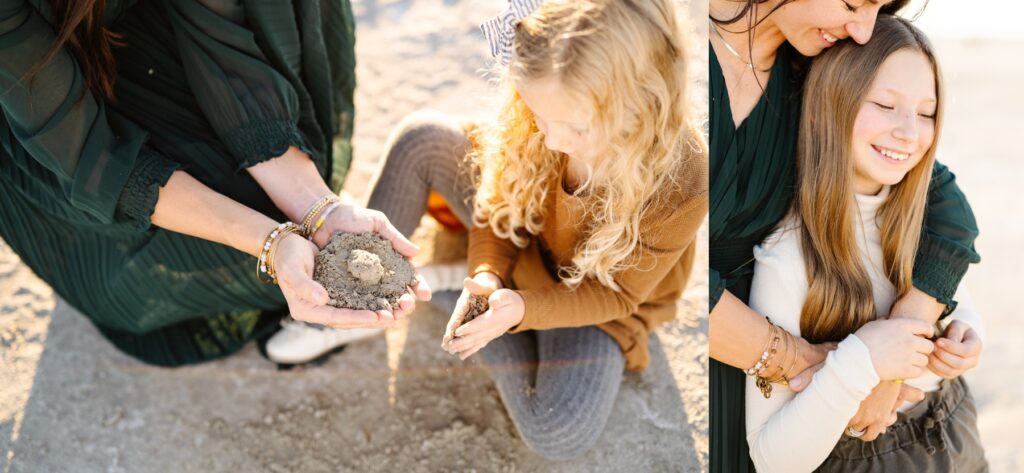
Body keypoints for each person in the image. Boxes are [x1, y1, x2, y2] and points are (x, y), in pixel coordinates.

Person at [314, 0, 705, 459]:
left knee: (559, 432)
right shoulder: (540, 108)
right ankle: (358, 295)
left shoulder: (682, 178)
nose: (554, 139)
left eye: (575, 128)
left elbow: (616, 295)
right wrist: (486, 275)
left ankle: (465, 309)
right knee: (423, 138)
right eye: (542, 115)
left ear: (642, 104)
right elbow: (500, 204)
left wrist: (518, 310)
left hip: (592, 300)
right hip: (529, 239)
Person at [0, 0, 427, 367]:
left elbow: (223, 40)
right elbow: (88, 151)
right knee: (233, 210)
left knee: (276, 180)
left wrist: (318, 208)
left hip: (153, 21)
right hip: (37, 95)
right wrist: (271, 241)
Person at [707, 1, 983, 471]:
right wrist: (854, 366)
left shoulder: (817, 56)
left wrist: (914, 328)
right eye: (854, 3)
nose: (863, 28)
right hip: (720, 334)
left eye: (879, 8)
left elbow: (939, 201)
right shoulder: (787, 260)